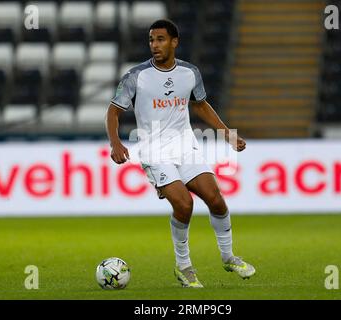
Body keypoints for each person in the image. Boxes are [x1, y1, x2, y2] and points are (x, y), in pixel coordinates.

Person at [106, 19, 255, 288]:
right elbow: (113, 111)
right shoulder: (136, 76)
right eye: (151, 40)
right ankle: (184, 266)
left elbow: (200, 105)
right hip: (154, 151)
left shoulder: (190, 72)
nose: (154, 45)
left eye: (160, 39)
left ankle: (229, 256)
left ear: (174, 42)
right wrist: (115, 143)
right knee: (184, 204)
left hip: (186, 146)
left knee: (216, 200)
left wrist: (226, 133)